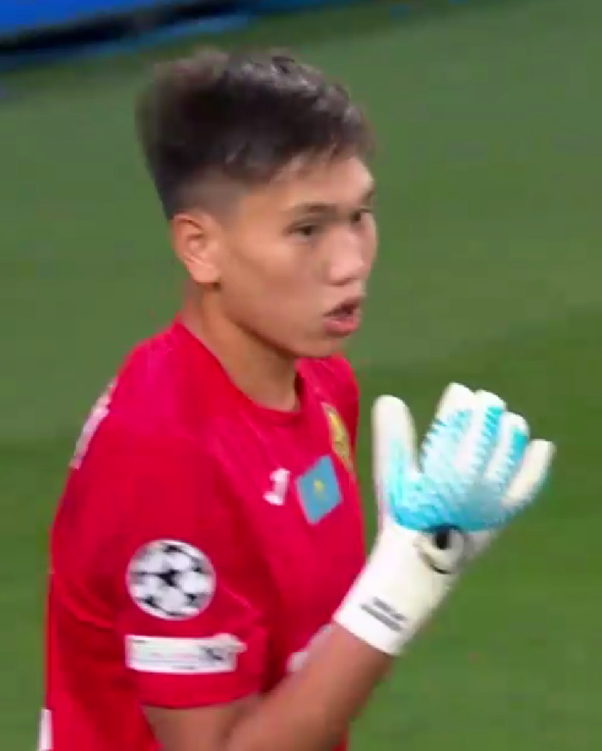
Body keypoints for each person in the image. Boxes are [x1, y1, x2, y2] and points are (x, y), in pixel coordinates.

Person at [38, 48, 554, 751]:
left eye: (360, 215)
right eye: (307, 229)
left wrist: (419, 559)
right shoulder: (166, 455)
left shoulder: (322, 383)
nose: (350, 263)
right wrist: (408, 578)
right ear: (200, 248)